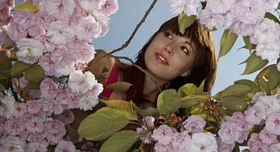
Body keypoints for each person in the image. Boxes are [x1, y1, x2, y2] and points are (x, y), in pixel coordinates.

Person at [87, 16, 217, 109]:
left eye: (184, 49)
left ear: (188, 70)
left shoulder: (165, 126)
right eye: (168, 35)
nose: (169, 47)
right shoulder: (104, 66)